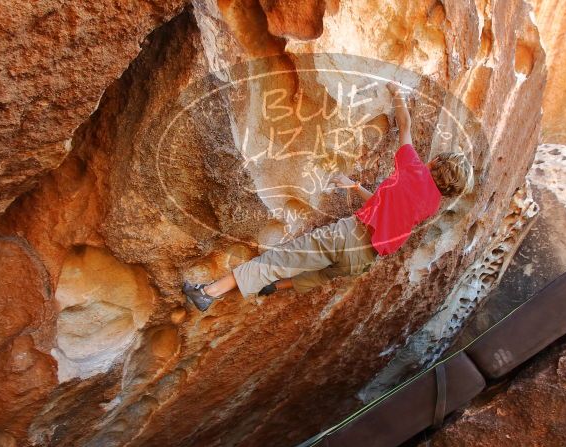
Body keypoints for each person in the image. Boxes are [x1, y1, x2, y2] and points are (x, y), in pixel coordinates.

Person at [183, 82, 474, 312]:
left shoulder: (414, 169)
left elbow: (406, 127)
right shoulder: (431, 205)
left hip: (349, 236)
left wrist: (396, 92)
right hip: (363, 259)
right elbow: (384, 208)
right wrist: (353, 187)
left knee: (277, 258)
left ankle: (207, 293)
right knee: (321, 275)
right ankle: (277, 287)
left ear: (435, 163)